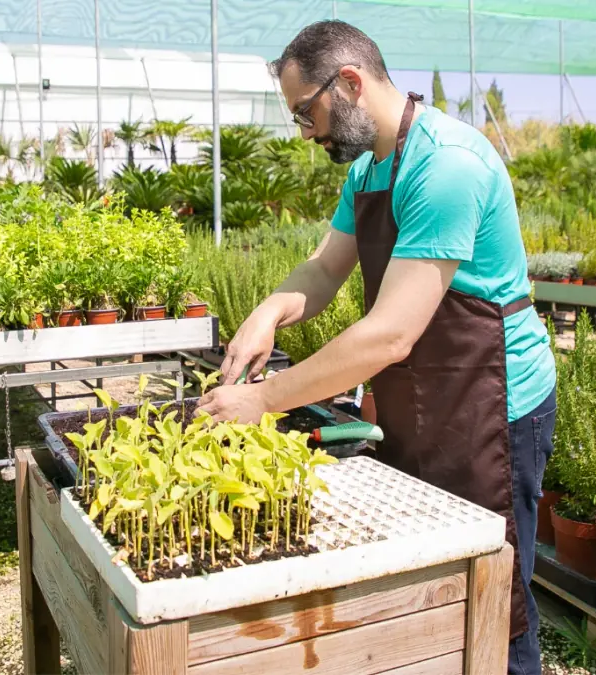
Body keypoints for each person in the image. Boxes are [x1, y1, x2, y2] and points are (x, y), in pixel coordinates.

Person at [195, 20, 557, 674]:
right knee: (431, 595)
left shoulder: (447, 165)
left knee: (493, 603)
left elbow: (390, 332)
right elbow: (324, 268)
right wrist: (269, 312)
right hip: (421, 394)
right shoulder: (368, 169)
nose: (306, 134)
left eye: (306, 113)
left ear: (350, 83)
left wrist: (264, 399)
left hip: (493, 405)